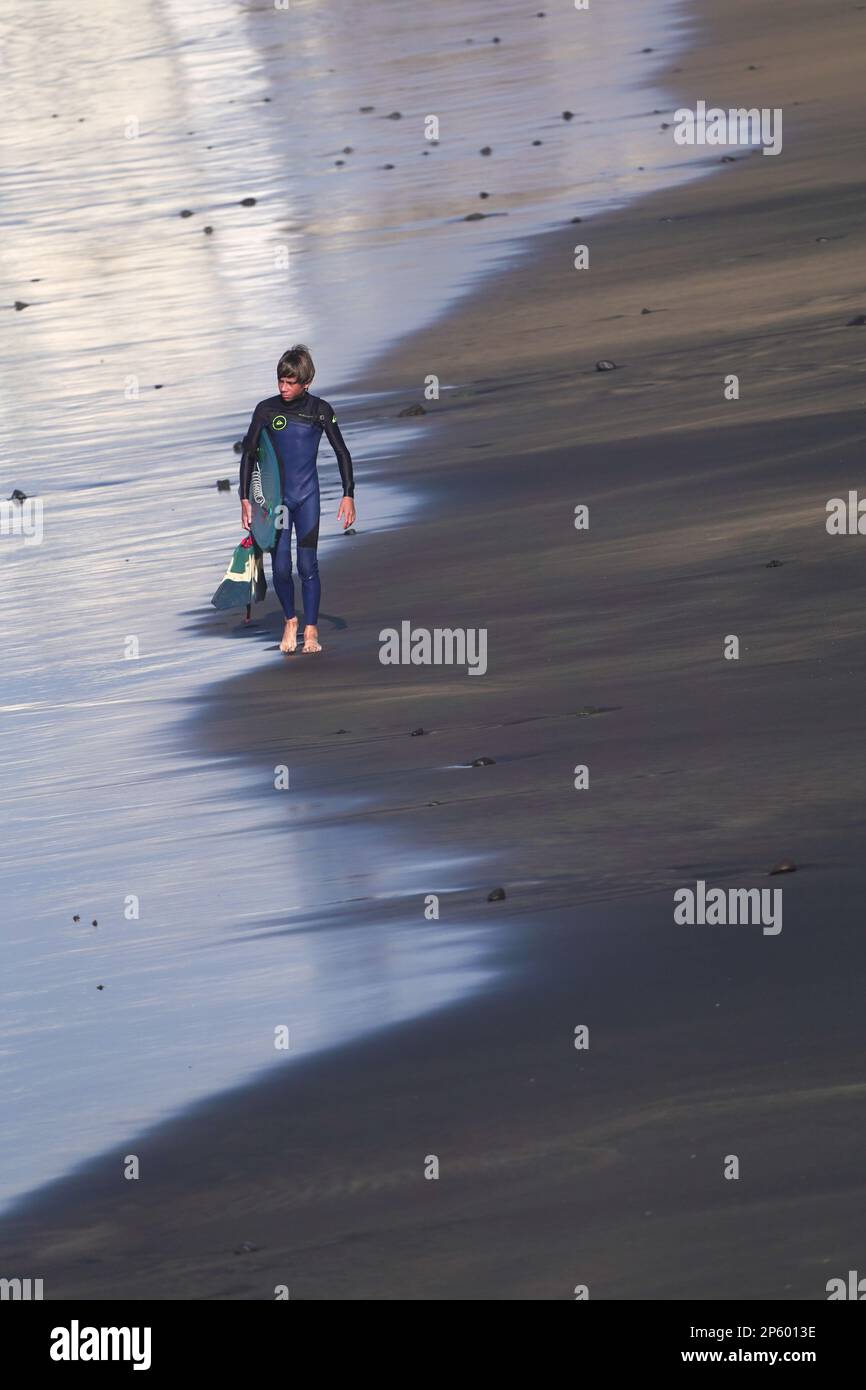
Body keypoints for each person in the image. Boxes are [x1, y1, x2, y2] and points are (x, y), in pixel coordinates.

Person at [238, 344, 356, 654]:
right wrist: (245, 499)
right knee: (280, 568)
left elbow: (342, 452)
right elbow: (249, 454)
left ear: (307, 382)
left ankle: (312, 629)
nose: (283, 388)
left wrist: (348, 494)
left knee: (307, 565)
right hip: (278, 502)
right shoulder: (266, 410)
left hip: (307, 498)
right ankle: (291, 620)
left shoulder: (320, 411)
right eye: (281, 381)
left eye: (291, 382)